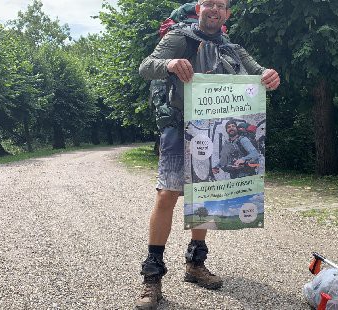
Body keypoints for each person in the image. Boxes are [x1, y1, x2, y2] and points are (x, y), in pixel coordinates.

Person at [136, 0, 280, 308]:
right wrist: (170, 65)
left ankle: (195, 264)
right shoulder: (179, 37)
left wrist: (270, 76)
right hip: (179, 127)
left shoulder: (234, 49)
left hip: (214, 130)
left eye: (221, 5)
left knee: (205, 193)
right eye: (209, 3)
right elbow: (146, 66)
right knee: (167, 195)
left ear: (227, 14)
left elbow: (258, 73)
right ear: (199, 8)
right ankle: (152, 277)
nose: (214, 9)